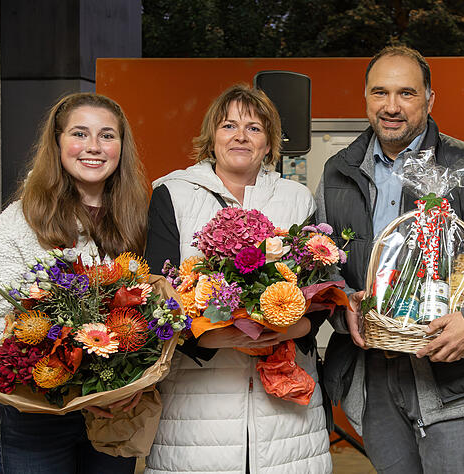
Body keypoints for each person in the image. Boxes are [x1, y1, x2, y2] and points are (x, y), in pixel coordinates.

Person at [317, 45, 464, 473]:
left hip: (449, 382)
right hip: (371, 373)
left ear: (430, 99)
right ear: (366, 99)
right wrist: (343, 306)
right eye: (380, 93)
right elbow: (324, 264)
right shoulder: (338, 171)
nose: (391, 107)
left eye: (406, 93)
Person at [143, 84, 332, 474]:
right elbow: (155, 292)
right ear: (211, 137)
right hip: (196, 402)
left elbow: (322, 286)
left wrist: (296, 327)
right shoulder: (173, 193)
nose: (241, 136)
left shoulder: (297, 199)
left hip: (286, 415)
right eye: (229, 125)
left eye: (255, 128)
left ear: (269, 144)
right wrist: (204, 336)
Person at [0, 92, 148, 473]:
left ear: (121, 147)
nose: (94, 147)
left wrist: (131, 381)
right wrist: (64, 384)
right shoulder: (22, 220)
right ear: (58, 142)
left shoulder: (138, 219)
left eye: (107, 135)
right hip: (35, 419)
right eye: (80, 133)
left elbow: (156, 317)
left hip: (113, 416)